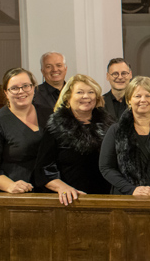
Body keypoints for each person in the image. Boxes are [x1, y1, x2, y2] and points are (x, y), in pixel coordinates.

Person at [35, 74, 113, 204]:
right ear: (68, 97)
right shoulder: (55, 128)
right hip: (72, 199)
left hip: (106, 196)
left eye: (91, 92)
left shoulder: (109, 125)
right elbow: (43, 169)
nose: (86, 96)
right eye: (80, 92)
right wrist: (62, 187)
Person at [0, 67, 51, 193]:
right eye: (14, 88)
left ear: (33, 88)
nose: (21, 91)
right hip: (11, 194)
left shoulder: (49, 114)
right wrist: (10, 185)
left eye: (26, 86)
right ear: (6, 92)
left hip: (46, 190)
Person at [99, 76, 150, 196]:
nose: (143, 100)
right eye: (137, 96)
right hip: (125, 197)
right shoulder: (116, 130)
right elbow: (106, 167)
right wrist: (132, 189)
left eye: (148, 96)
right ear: (129, 100)